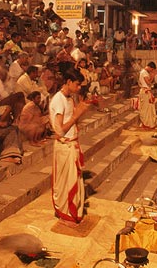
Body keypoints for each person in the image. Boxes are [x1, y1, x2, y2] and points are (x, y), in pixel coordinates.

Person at [49, 65, 90, 226]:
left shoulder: (69, 98)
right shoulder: (58, 100)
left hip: (72, 144)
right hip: (64, 146)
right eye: (77, 84)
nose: (79, 88)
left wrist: (79, 112)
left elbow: (72, 122)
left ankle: (72, 212)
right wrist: (76, 115)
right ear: (68, 81)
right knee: (65, 183)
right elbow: (59, 130)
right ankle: (64, 214)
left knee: (74, 180)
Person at [138, 62, 157, 129]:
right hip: (145, 91)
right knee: (146, 109)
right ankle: (146, 123)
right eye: (151, 70)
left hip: (146, 91)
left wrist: (152, 76)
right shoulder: (144, 72)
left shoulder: (145, 72)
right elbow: (148, 82)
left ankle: (149, 123)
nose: (151, 71)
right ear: (150, 67)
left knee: (149, 108)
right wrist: (152, 76)